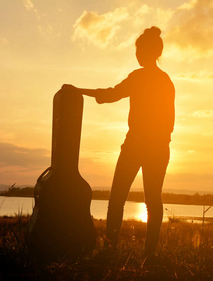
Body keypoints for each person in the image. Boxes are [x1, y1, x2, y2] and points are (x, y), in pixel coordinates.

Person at [62, 26, 175, 261]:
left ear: (149, 52)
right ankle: (148, 254)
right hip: (153, 147)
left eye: (138, 50)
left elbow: (110, 95)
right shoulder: (165, 81)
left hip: (138, 145)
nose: (136, 54)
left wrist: (77, 91)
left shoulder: (142, 77)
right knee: (151, 201)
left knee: (120, 200)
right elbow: (169, 124)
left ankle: (114, 250)